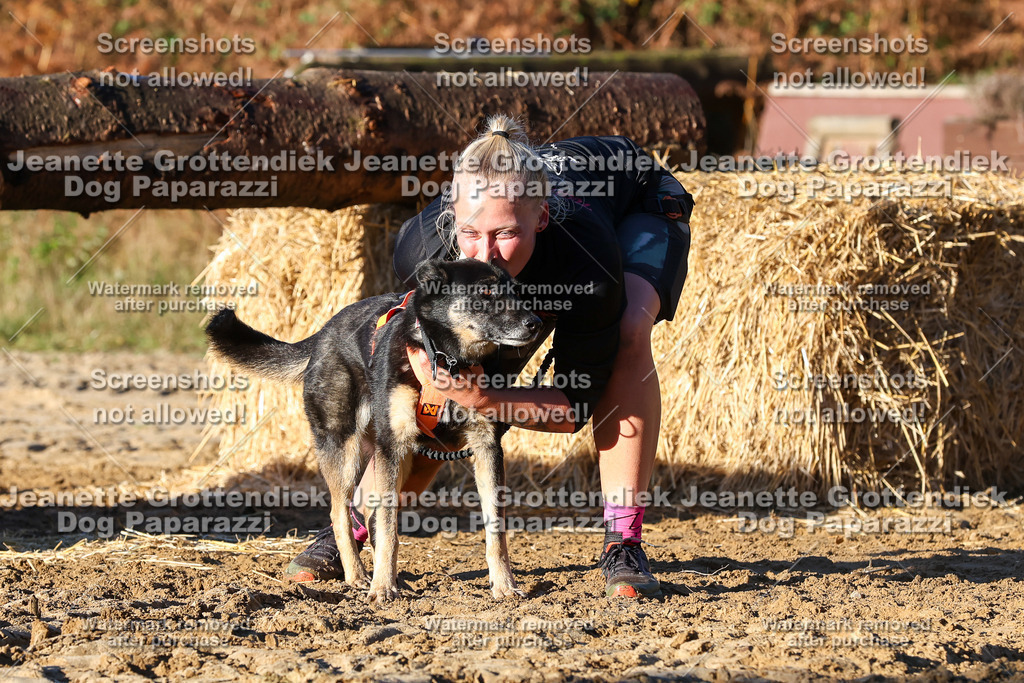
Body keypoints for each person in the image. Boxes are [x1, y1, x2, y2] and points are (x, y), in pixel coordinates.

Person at [285, 114, 693, 598]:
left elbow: (572, 410)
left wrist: (484, 399)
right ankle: (358, 520)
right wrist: (456, 388)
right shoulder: (422, 253)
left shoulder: (586, 255)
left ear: (540, 217)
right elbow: (421, 391)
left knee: (627, 328)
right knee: (438, 394)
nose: (484, 255)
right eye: (471, 233)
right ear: (452, 218)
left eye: (504, 234)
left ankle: (623, 542)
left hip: (638, 202)